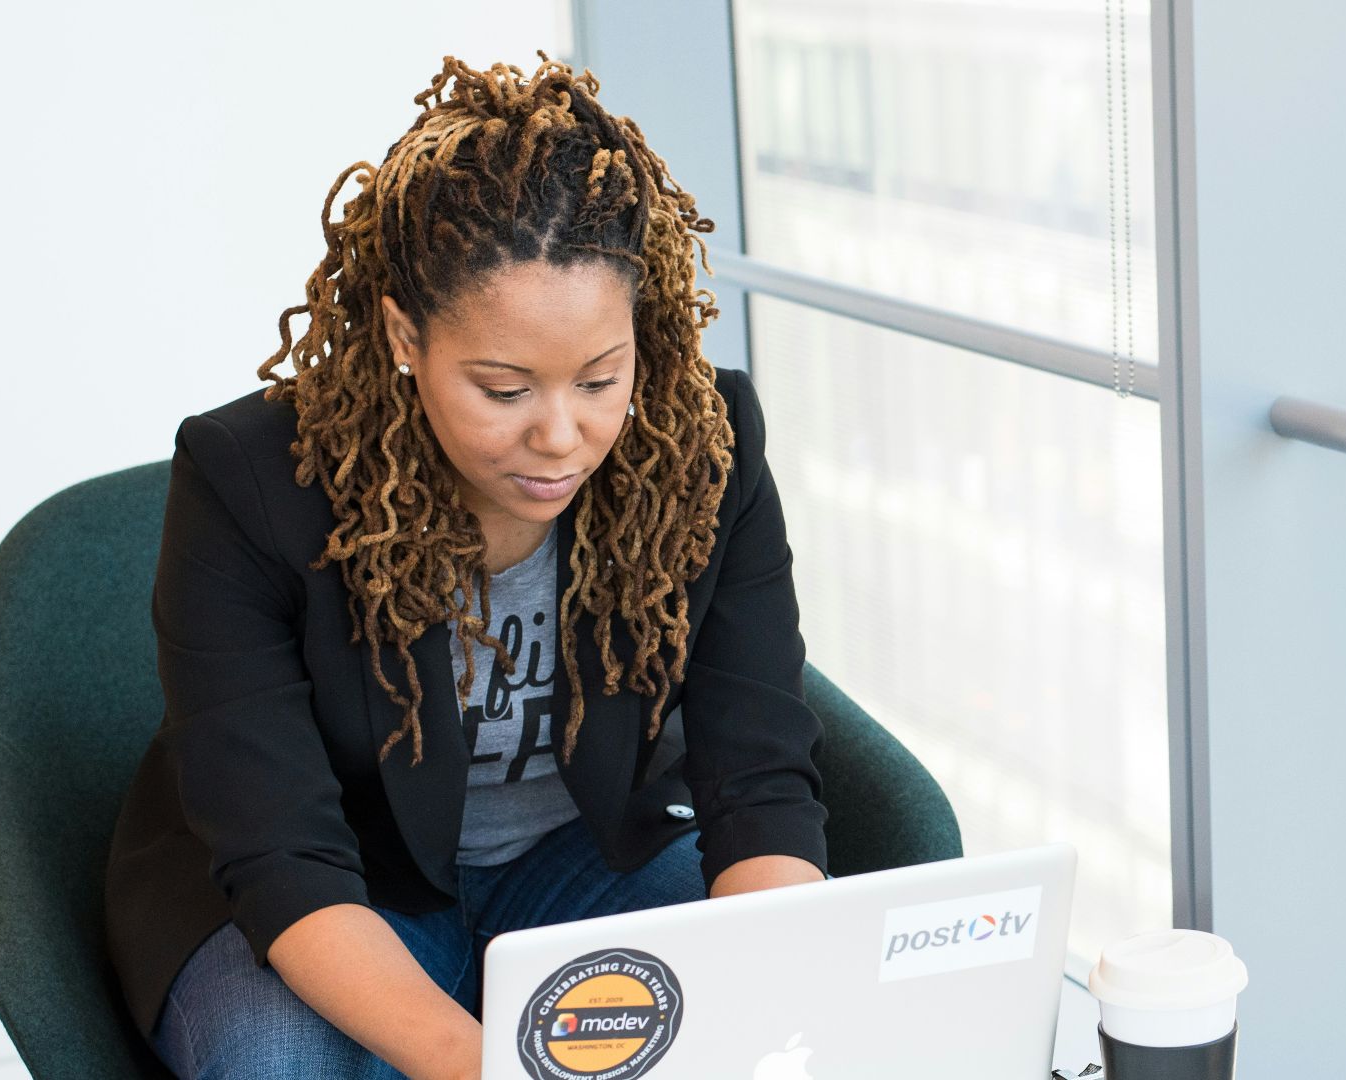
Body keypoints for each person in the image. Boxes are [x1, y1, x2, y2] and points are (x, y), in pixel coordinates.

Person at [103, 53, 830, 1080]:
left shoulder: (703, 446)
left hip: (587, 858)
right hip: (345, 881)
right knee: (274, 1063)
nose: (561, 437)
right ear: (405, 333)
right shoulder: (249, 482)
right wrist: (485, 1064)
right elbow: (283, 853)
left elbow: (758, 781)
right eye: (504, 389)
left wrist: (775, 1007)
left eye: (600, 380)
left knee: (777, 1009)